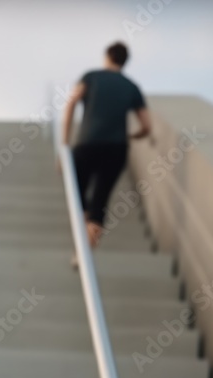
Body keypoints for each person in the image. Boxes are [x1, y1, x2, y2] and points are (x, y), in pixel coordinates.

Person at [62, 41, 151, 267]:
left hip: (86, 144)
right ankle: (83, 254)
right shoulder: (132, 87)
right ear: (124, 61)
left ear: (107, 57)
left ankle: (81, 243)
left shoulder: (91, 76)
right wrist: (132, 136)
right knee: (99, 201)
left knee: (78, 196)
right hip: (116, 149)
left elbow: (72, 102)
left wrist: (64, 142)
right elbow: (146, 126)